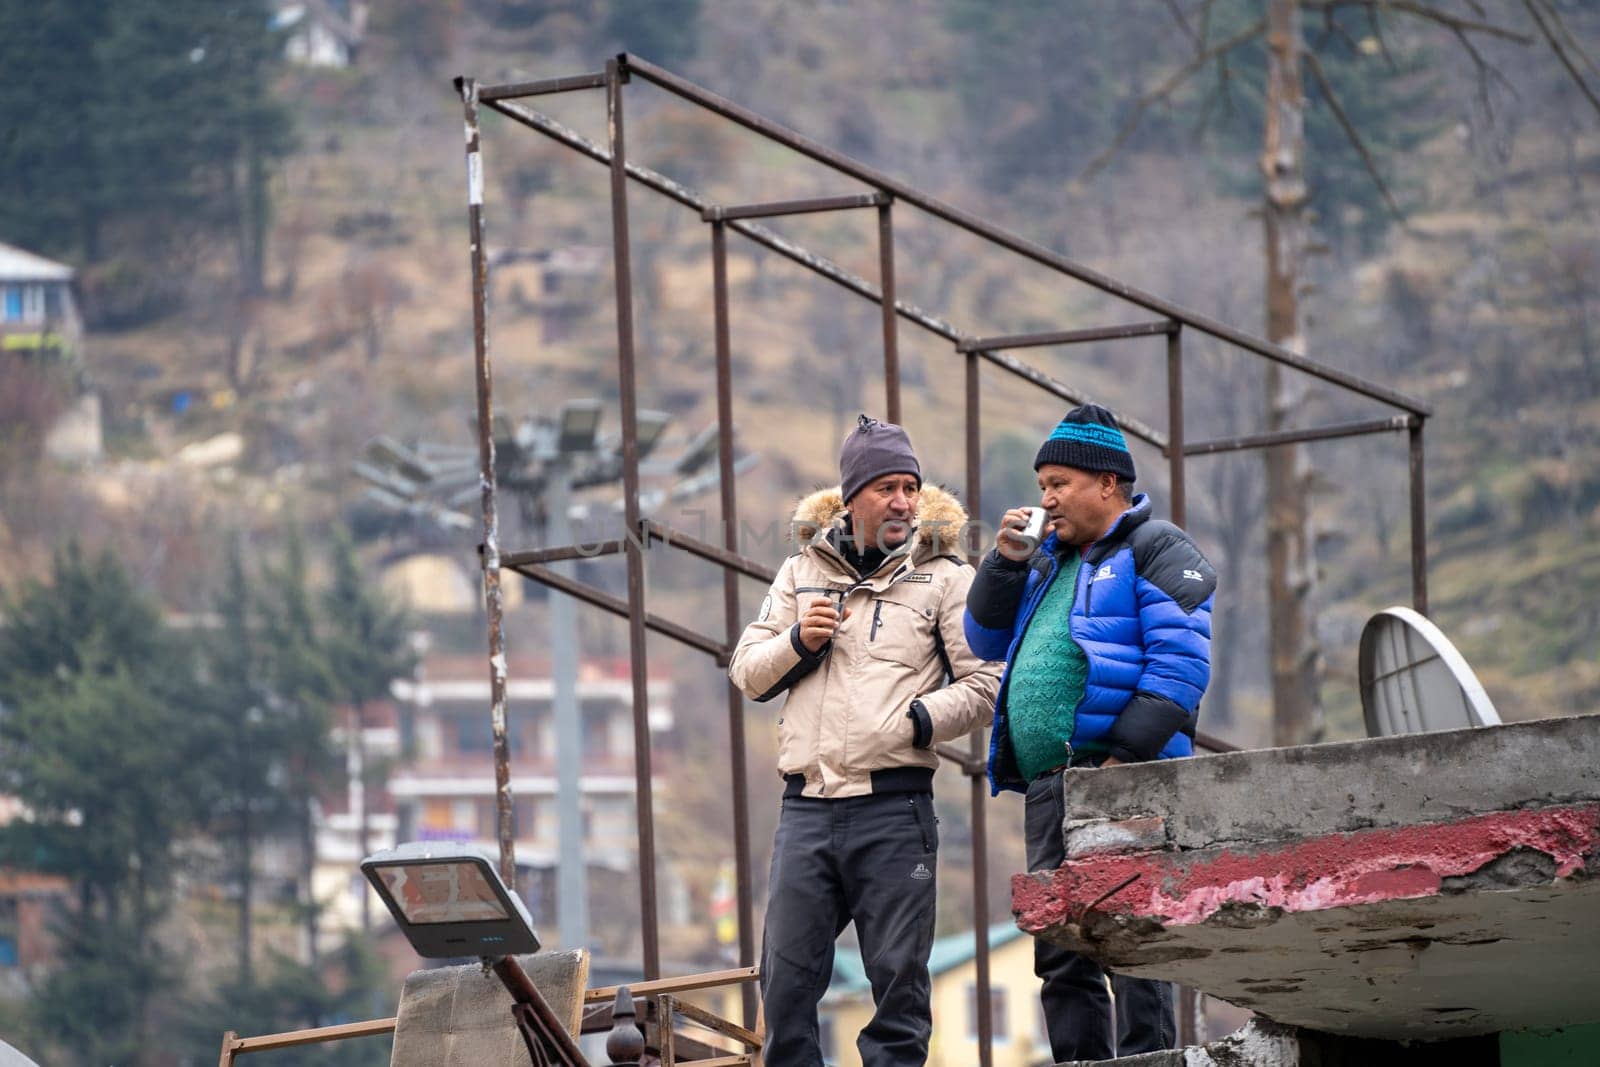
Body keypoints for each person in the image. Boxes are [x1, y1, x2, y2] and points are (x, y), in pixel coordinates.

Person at [729, 414, 1002, 1067]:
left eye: (910, 486)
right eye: (886, 487)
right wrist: (801, 640)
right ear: (851, 498)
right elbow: (745, 669)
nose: (903, 500)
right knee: (786, 989)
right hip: (806, 811)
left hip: (894, 811)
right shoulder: (801, 573)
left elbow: (990, 679)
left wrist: (916, 721)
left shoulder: (944, 576)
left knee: (897, 997)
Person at [962, 403, 1215, 1063]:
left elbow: (1181, 667)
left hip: (1125, 779)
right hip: (1052, 785)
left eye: (1059, 483)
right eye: (1042, 483)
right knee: (1061, 943)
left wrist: (1122, 755)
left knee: (1131, 936)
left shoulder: (1155, 546)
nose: (1046, 497)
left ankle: (1148, 1059)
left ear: (1108, 483)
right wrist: (1005, 563)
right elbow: (983, 636)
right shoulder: (1045, 563)